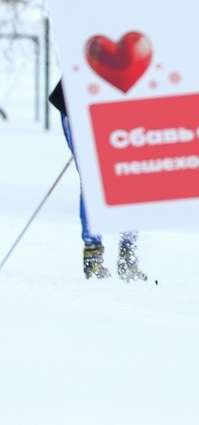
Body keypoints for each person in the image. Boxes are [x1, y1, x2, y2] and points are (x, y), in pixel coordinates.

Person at [48, 79, 148, 282]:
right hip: (80, 102)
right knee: (93, 176)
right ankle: (93, 257)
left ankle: (128, 256)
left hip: (127, 105)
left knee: (132, 174)